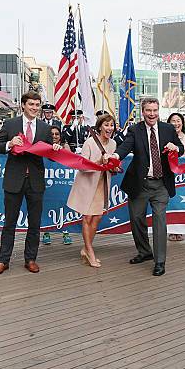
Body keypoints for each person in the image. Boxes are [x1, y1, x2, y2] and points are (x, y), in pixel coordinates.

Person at [106, 97, 184, 276]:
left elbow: (180, 147)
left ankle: (160, 261)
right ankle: (144, 252)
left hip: (161, 184)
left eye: (155, 110)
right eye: (148, 111)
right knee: (137, 219)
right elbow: (125, 147)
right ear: (143, 112)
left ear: (158, 111)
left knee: (159, 220)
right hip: (139, 184)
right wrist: (115, 156)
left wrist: (176, 148)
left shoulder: (168, 129)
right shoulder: (135, 130)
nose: (152, 114)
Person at [0, 91, 58, 275]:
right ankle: (3, 261)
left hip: (35, 182)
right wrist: (10, 144)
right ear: (23, 105)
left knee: (34, 223)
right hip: (14, 180)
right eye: (31, 105)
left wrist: (56, 150)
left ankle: (30, 259)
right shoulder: (10, 124)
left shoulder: (45, 128)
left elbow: (50, 155)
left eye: (37, 105)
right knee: (9, 222)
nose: (35, 108)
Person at [67, 114, 117, 267]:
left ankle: (85, 249)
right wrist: (99, 162)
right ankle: (90, 251)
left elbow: (110, 167)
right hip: (88, 185)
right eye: (106, 125)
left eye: (111, 125)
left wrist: (113, 167)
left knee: (97, 219)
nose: (109, 128)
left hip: (103, 185)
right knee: (88, 218)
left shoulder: (113, 144)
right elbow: (82, 166)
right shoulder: (90, 142)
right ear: (100, 126)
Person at [167, 112, 185, 242]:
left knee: (184, 203)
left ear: (182, 123)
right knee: (172, 202)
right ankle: (172, 230)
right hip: (170, 174)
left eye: (178, 121)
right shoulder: (165, 137)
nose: (176, 123)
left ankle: (182, 229)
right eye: (173, 121)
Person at [41, 125, 73, 246]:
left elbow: (70, 161)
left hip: (62, 184)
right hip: (46, 183)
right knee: (45, 207)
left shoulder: (65, 146)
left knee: (63, 207)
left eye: (56, 134)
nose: (54, 136)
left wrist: (61, 151)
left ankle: (66, 232)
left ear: (60, 136)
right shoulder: (42, 147)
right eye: (52, 134)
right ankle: (46, 232)